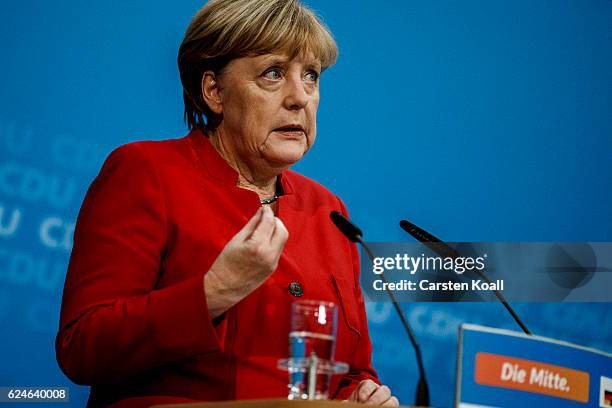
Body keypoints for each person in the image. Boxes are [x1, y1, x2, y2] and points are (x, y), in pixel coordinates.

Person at [55, 0, 399, 406]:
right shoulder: (147, 173)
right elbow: (83, 348)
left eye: (311, 76)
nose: (300, 98)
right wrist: (213, 292)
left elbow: (350, 369)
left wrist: (362, 394)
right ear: (214, 91)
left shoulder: (328, 210)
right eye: (273, 74)